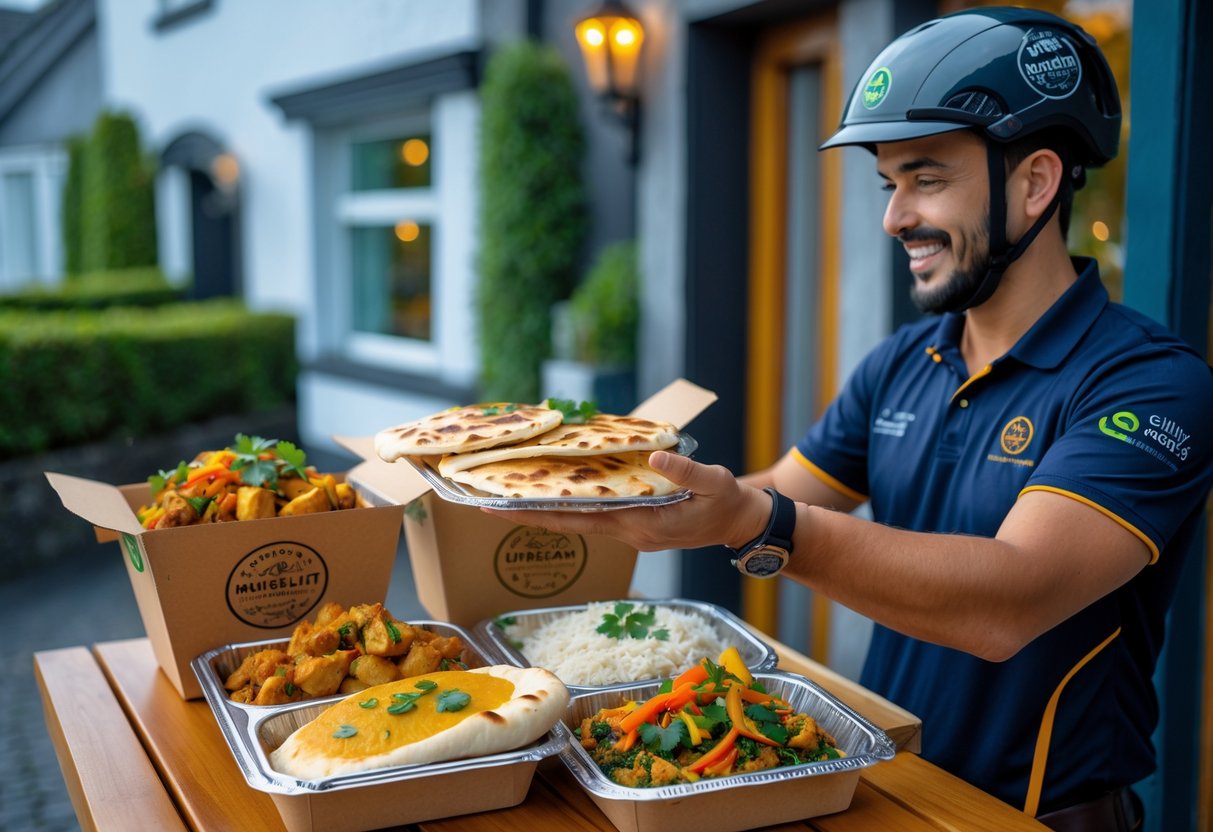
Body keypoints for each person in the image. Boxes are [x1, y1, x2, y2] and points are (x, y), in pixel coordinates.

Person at [488, 7, 1213, 831]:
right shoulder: (903, 361)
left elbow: (1010, 601)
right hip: (881, 786)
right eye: (888, 183)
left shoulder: (1149, 386)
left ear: (1035, 183)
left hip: (1035, 816)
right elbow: (779, 495)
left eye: (925, 179)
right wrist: (614, 485)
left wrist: (755, 524)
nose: (893, 218)